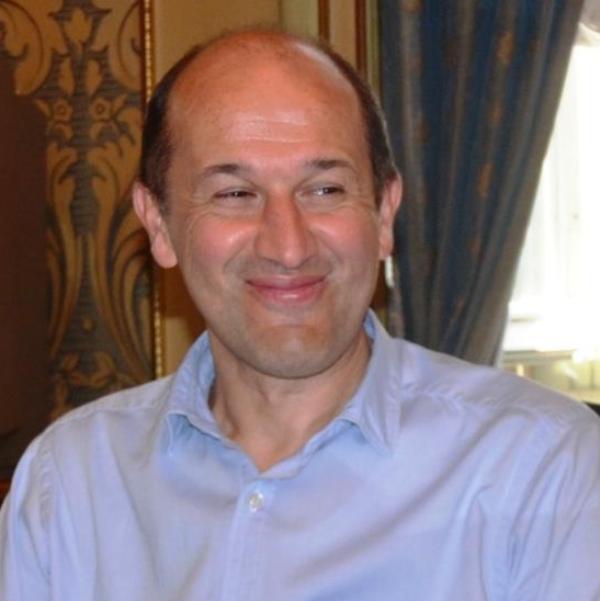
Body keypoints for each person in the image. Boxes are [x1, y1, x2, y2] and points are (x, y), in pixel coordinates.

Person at [1, 28, 599, 601]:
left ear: (384, 213)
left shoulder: (541, 469)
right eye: (236, 194)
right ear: (158, 223)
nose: (287, 247)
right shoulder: (70, 484)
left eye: (325, 190)